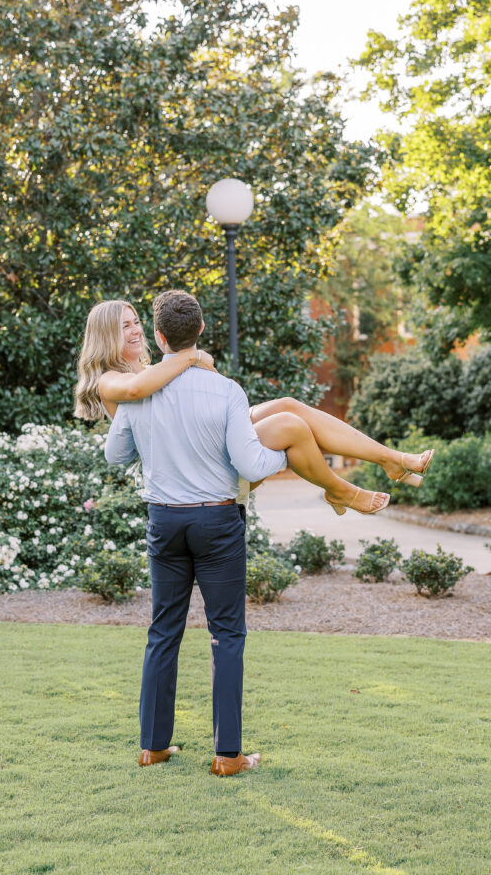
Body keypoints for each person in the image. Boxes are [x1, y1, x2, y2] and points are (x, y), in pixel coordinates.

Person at [101, 291, 288, 776]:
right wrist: (285, 456)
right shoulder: (225, 391)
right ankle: (228, 756)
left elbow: (116, 456)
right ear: (200, 332)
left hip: (164, 521)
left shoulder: (137, 389)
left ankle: (153, 746)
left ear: (160, 338)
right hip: (217, 521)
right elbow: (250, 463)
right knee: (226, 634)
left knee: (163, 631)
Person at [74, 298, 434, 516]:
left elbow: (201, 371)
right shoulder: (110, 380)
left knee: (289, 405)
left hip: (205, 441)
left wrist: (193, 360)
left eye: (137, 322)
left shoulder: (153, 369)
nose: (135, 330)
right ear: (107, 335)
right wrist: (193, 355)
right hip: (194, 466)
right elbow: (141, 388)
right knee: (288, 427)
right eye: (125, 326)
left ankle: (391, 459)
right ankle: (339, 488)